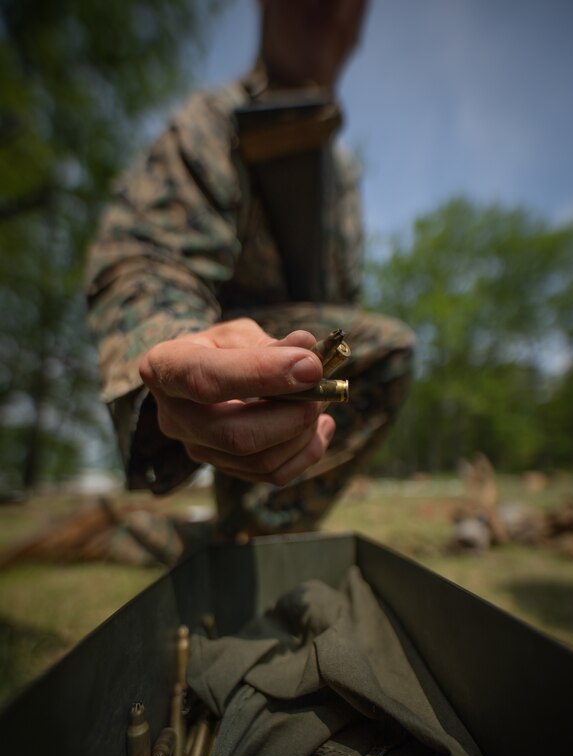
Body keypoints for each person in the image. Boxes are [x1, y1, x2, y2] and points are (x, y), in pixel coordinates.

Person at [85, 0, 415, 543]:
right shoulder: (213, 122)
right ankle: (224, 541)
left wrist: (312, 380)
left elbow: (340, 309)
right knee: (391, 348)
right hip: (223, 358)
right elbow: (145, 260)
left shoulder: (342, 175)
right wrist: (181, 347)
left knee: (359, 363)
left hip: (293, 400)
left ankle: (252, 534)